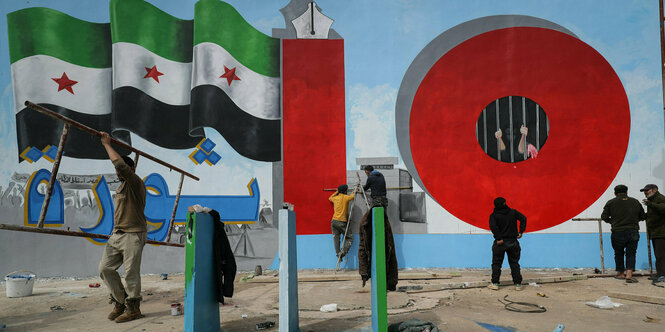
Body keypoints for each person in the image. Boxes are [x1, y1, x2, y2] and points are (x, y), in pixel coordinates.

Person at [98, 132, 147, 323]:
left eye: (123, 170)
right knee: (105, 268)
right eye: (118, 172)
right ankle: (120, 301)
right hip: (117, 235)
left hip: (133, 235)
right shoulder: (121, 187)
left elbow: (119, 164)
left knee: (130, 274)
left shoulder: (135, 183)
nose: (118, 173)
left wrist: (106, 144)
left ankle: (133, 309)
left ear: (131, 168)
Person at [601, 185, 645, 282]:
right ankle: (629, 275)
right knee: (631, 253)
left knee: (618, 253)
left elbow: (604, 217)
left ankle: (621, 274)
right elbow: (642, 216)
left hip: (617, 232)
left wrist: (612, 222)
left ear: (615, 193)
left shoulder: (611, 202)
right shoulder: (635, 201)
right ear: (627, 192)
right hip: (632, 231)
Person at [488, 197, 526, 291]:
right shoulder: (513, 212)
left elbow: (493, 227)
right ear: (505, 203)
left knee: (497, 264)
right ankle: (518, 284)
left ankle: (495, 283)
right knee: (514, 263)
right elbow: (523, 218)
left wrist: (499, 238)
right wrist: (520, 231)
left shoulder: (493, 215)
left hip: (500, 243)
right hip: (513, 242)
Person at [641, 184, 665, 282]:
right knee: (659, 255)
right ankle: (660, 273)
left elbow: (663, 209)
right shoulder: (653, 200)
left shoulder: (660, 198)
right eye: (644, 191)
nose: (645, 192)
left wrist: (649, 204)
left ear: (655, 190)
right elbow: (654, 214)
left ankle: (662, 275)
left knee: (660, 255)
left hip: (661, 232)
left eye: (647, 190)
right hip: (656, 232)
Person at [329, 184, 355, 260]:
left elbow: (330, 198)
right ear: (345, 191)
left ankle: (338, 254)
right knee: (350, 238)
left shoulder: (335, 198)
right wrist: (354, 191)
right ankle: (342, 253)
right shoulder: (345, 197)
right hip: (341, 222)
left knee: (336, 239)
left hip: (333, 222)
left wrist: (336, 192)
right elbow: (352, 197)